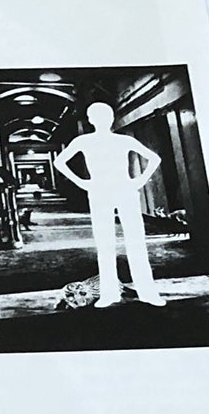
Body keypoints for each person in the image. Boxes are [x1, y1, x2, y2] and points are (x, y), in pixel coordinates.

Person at [53, 101, 166, 308]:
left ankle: (141, 293)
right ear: (93, 120)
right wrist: (83, 183)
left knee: (129, 242)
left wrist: (139, 181)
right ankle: (115, 293)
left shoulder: (112, 141)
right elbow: (59, 162)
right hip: (106, 192)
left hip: (117, 191)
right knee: (111, 243)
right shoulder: (90, 141)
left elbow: (155, 158)